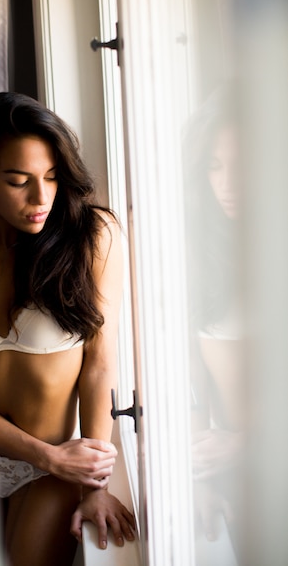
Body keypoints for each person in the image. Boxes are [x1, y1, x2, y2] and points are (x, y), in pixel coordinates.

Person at [0, 92, 135, 566]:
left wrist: (92, 483)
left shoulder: (91, 238)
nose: (41, 198)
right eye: (18, 181)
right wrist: (43, 455)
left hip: (53, 464)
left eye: (52, 177)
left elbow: (99, 366)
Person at [182, 84, 246, 550]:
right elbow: (186, 378)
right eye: (214, 167)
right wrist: (197, 476)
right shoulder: (196, 254)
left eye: (243, 166)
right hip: (224, 467)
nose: (228, 185)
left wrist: (247, 443)